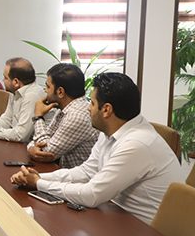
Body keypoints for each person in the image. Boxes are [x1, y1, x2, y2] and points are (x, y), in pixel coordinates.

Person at [10, 73, 178, 225]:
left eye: (92, 103)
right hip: (116, 215)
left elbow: (92, 195)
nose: (88, 108)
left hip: (144, 232)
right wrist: (38, 177)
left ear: (106, 110)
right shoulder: (112, 130)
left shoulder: (136, 144)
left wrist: (38, 183)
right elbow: (87, 172)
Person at [28, 63, 99, 168]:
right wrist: (31, 148)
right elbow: (44, 139)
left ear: (60, 92)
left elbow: (46, 153)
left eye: (48, 86)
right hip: (62, 172)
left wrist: (38, 117)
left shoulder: (76, 116)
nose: (45, 90)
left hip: (77, 177)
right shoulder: (65, 108)